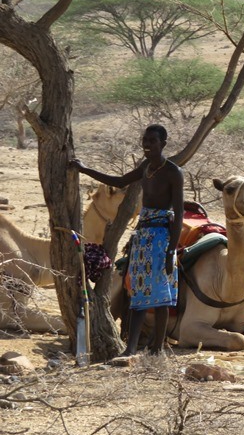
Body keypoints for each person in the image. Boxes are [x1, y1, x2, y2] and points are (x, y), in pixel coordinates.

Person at [70, 124, 183, 357]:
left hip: (162, 236)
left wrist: (172, 251)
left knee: (162, 296)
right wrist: (84, 170)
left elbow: (180, 214)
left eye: (152, 141)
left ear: (163, 144)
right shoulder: (145, 168)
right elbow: (121, 181)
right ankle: (130, 348)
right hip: (142, 236)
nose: (147, 145)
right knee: (138, 292)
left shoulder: (173, 172)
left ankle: (157, 349)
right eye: (145, 140)